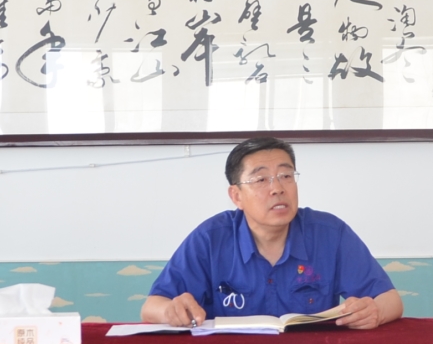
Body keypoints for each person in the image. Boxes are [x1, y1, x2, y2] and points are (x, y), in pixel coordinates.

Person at [142, 137, 403, 329]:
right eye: (261, 179)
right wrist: (171, 311)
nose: (278, 188)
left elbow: (391, 300)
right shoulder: (211, 238)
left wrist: (374, 311)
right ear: (236, 196)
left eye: (286, 176)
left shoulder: (330, 234)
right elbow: (152, 307)